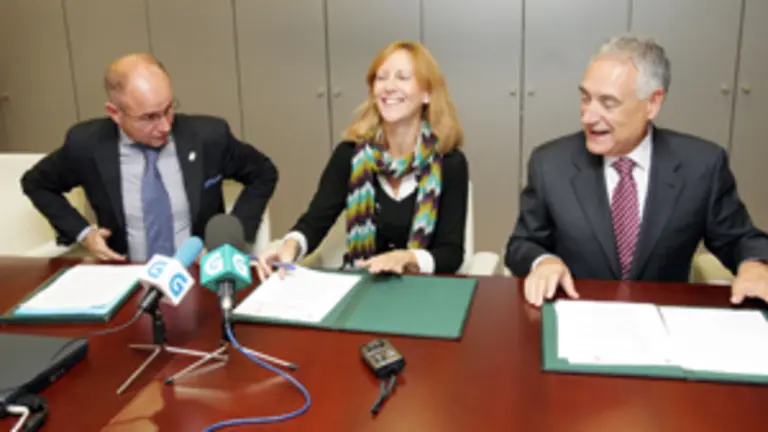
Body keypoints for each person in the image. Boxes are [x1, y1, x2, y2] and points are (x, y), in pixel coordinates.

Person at [505, 35, 768, 306]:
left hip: (664, 320)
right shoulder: (551, 163)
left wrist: (755, 266)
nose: (588, 116)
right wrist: (543, 261)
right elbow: (522, 244)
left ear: (652, 103)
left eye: (608, 103)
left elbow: (740, 239)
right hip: (578, 315)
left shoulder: (701, 165)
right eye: (585, 98)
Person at [21, 53, 278, 262]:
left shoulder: (209, 137)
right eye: (149, 117)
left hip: (199, 277)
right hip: (129, 279)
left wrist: (230, 240)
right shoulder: (87, 145)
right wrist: (84, 234)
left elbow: (264, 172)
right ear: (115, 113)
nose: (165, 126)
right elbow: (36, 183)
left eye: (168, 109)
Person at [256, 40, 468, 279]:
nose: (389, 86)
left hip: (424, 292)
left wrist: (406, 258)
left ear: (427, 93)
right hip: (363, 286)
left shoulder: (449, 163)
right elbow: (315, 221)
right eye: (381, 77)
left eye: (402, 77)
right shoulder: (349, 155)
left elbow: (451, 254)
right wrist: (290, 245)